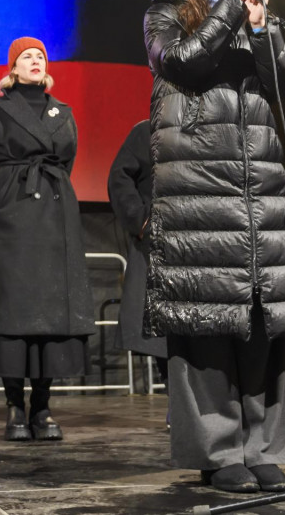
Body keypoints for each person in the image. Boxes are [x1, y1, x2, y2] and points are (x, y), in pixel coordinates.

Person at [143, 0, 285, 493]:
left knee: (262, 323)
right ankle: (219, 454)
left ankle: (262, 447)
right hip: (198, 186)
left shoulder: (248, 15)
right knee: (207, 327)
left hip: (256, 188)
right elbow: (186, 62)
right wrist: (230, 13)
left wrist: (262, 24)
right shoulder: (164, 12)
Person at [0, 37, 94, 442]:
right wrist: (4, 201)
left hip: (55, 218)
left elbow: (66, 163)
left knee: (53, 311)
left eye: (40, 56)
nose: (35, 61)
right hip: (12, 220)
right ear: (13, 68)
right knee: (13, 312)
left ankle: (42, 406)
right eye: (27, 57)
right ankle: (14, 407)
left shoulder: (64, 112)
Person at [107, 120, 169, 391]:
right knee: (165, 330)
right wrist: (140, 221)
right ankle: (176, 400)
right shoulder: (147, 131)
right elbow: (119, 178)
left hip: (206, 241)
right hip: (161, 244)